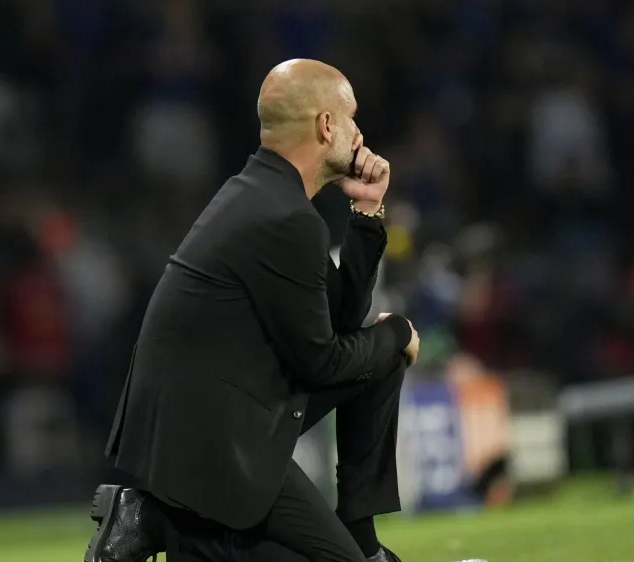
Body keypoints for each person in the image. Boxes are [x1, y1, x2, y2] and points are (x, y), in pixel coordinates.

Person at [85, 59, 420, 562]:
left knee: (377, 358)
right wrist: (397, 333)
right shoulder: (284, 217)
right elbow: (321, 362)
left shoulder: (263, 195)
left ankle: (361, 542)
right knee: (383, 347)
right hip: (209, 448)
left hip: (215, 425)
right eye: (351, 118)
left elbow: (341, 326)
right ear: (327, 126)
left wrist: (368, 214)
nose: (359, 133)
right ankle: (158, 515)